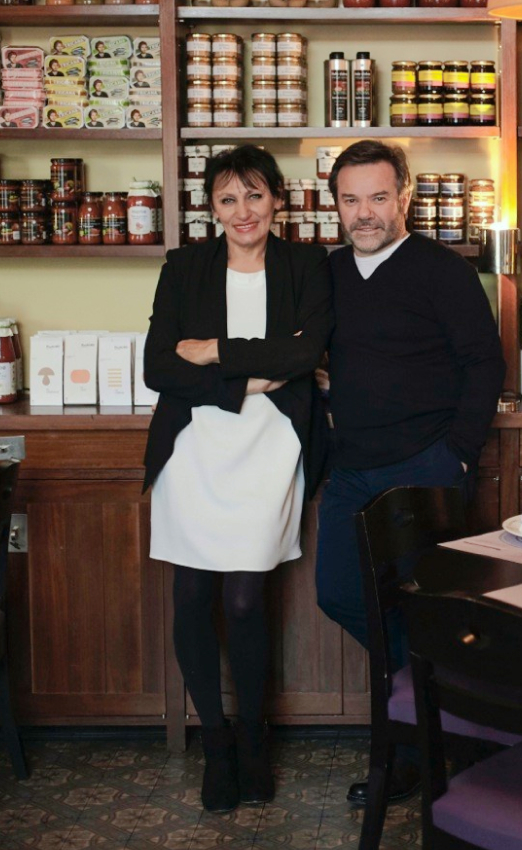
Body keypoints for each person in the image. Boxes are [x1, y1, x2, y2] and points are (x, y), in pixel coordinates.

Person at [143, 145, 333, 814]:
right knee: (193, 596)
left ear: (278, 199)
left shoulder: (306, 264)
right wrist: (248, 378)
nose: (243, 211)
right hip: (195, 446)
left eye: (255, 195)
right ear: (211, 208)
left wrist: (217, 352)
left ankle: (254, 736)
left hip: (270, 445)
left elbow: (305, 353)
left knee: (248, 600)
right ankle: (217, 744)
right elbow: (159, 369)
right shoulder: (185, 266)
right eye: (228, 199)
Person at [315, 140, 506, 806]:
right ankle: (438, 721)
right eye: (350, 199)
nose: (364, 213)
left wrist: (456, 453)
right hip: (351, 469)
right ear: (334, 204)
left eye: (377, 196)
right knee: (339, 593)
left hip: (425, 465)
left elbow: (484, 362)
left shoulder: (441, 269)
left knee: (430, 608)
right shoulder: (329, 271)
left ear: (404, 197)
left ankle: (422, 749)